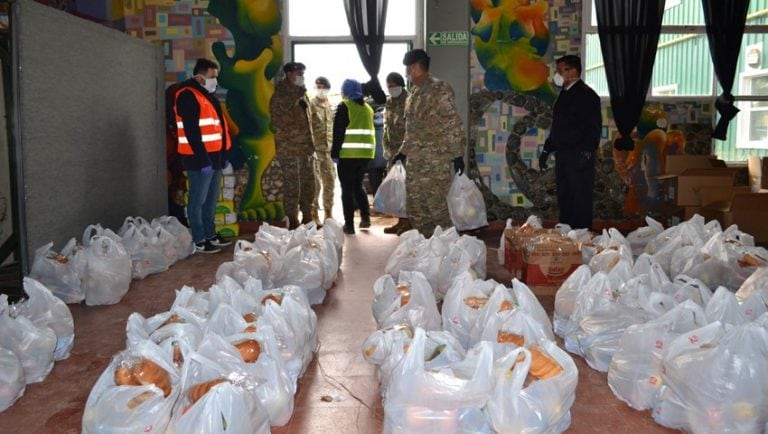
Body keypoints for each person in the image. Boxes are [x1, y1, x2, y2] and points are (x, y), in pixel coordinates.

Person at [392, 49, 465, 236]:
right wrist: (402, 152)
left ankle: (448, 251)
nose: (406, 73)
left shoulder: (439, 89)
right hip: (416, 163)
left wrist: (458, 155)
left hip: (435, 163)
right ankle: (427, 250)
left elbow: (452, 123)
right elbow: (412, 129)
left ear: (415, 67)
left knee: (438, 210)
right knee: (417, 209)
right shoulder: (414, 94)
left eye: (408, 68)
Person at [173, 58, 233, 253]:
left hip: (214, 158)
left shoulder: (208, 96)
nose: (215, 80)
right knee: (197, 201)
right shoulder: (187, 96)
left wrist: (222, 155)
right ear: (199, 77)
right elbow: (192, 132)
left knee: (210, 200)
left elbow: (218, 130)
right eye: (212, 77)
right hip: (199, 159)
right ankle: (198, 239)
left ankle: (210, 234)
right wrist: (204, 158)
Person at [539, 54, 602, 230]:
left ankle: (581, 238)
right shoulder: (564, 95)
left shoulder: (587, 96)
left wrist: (587, 153)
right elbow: (558, 126)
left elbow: (593, 127)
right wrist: (546, 150)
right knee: (565, 197)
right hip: (564, 155)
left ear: (573, 71)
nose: (556, 75)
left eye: (560, 71)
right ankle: (567, 237)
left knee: (579, 199)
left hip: (579, 155)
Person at [270, 62, 316, 229]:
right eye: (298, 73)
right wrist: (298, 93)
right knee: (292, 186)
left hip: (305, 148)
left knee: (308, 183)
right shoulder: (281, 94)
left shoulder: (302, 95)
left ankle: (307, 215)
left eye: (303, 73)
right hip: (289, 149)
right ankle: (293, 219)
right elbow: (279, 120)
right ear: (288, 74)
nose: (301, 76)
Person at [331, 79, 375, 235]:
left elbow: (338, 133)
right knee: (358, 186)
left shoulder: (345, 106)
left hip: (348, 155)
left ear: (346, 91)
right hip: (365, 156)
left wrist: (335, 154)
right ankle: (365, 218)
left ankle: (349, 225)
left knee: (347, 190)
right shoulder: (368, 108)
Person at [381, 72, 411, 234]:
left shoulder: (410, 100)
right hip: (393, 153)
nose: (391, 88)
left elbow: (412, 129)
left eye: (394, 85)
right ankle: (401, 221)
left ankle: (409, 222)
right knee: (397, 189)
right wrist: (385, 147)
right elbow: (387, 128)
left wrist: (404, 150)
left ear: (401, 84)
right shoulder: (390, 103)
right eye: (389, 85)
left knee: (407, 188)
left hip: (406, 153)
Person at [309, 76, 336, 224]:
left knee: (330, 182)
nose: (320, 89)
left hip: (328, 151)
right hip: (315, 150)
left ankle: (328, 214)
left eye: (323, 87)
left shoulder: (329, 105)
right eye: (318, 86)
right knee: (316, 185)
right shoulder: (311, 105)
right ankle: (314, 215)